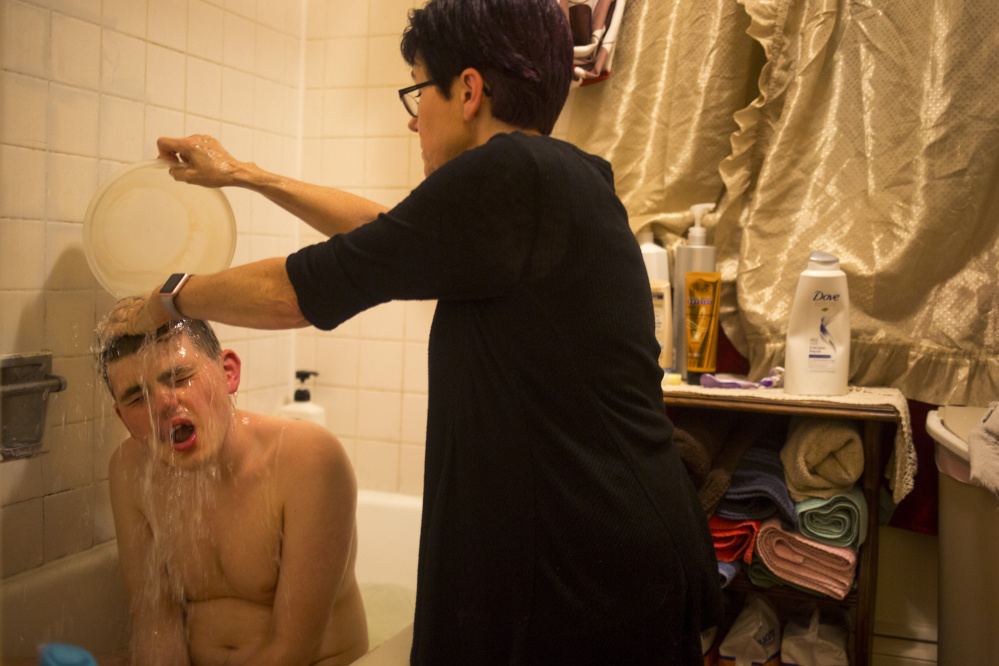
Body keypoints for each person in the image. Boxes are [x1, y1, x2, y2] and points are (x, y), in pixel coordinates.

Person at [109, 0, 724, 662]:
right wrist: (247, 176)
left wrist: (168, 300)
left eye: (416, 89)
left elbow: (301, 289)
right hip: (607, 553)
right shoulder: (550, 179)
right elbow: (388, 232)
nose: (411, 117)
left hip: (582, 572)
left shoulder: (511, 172)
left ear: (467, 90)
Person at [99, 307, 368, 666]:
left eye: (179, 377)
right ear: (123, 418)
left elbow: (292, 651)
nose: (162, 404)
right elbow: (156, 624)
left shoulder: (307, 460)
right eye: (136, 397)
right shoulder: (130, 470)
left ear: (229, 373)